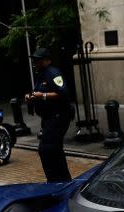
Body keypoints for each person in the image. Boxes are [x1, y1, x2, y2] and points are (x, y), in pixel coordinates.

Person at [25, 47, 72, 182]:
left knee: (47, 149)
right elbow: (37, 92)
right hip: (48, 118)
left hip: (58, 116)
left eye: (38, 60)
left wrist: (43, 96)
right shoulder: (41, 74)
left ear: (47, 60)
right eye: (35, 60)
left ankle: (57, 180)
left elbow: (62, 93)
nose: (35, 63)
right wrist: (30, 96)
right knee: (53, 149)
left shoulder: (53, 73)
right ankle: (60, 180)